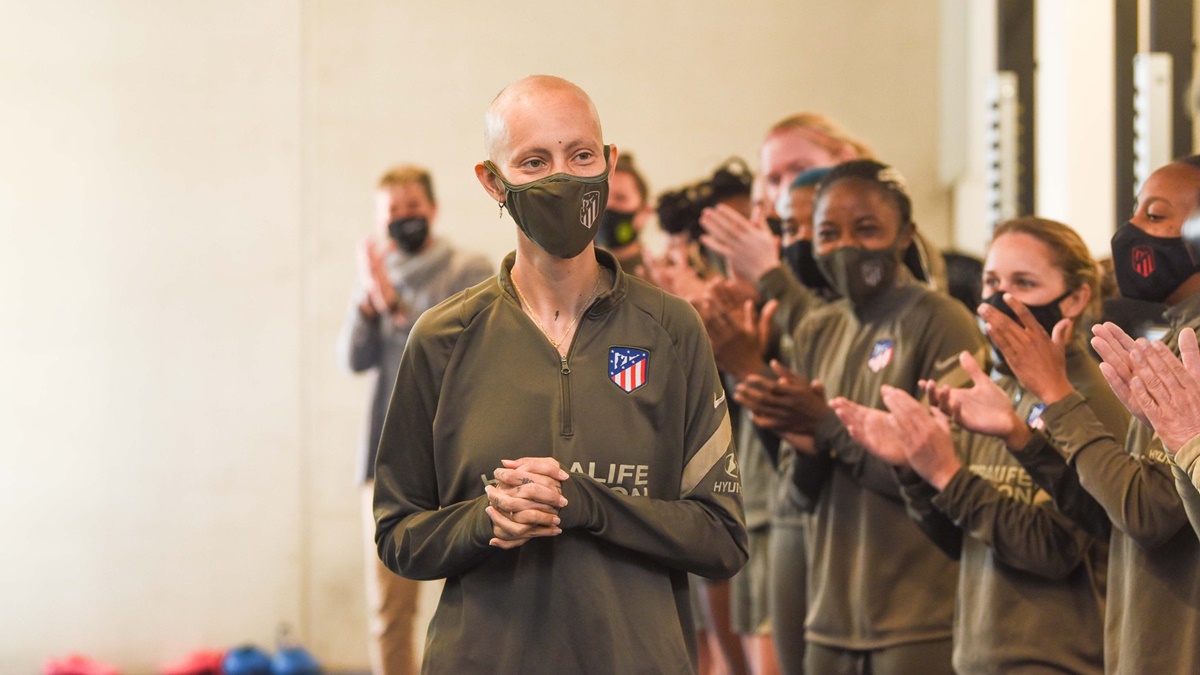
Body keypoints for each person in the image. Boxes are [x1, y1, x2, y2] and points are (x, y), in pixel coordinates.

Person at [372, 75, 748, 674]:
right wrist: (485, 518)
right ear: (492, 182)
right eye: (533, 161)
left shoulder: (672, 330)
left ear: (608, 161)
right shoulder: (442, 339)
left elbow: (721, 538)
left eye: (580, 155)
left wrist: (590, 505)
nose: (564, 178)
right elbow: (398, 536)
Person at [832, 216, 1127, 674]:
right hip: (980, 652)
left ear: (1075, 298)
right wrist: (916, 469)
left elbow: (1055, 550)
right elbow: (958, 540)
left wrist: (949, 474)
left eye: (1023, 283)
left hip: (1057, 657)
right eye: (992, 280)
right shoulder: (992, 387)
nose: (998, 299)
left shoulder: (1089, 401)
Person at [735, 160, 984, 675]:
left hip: (918, 618)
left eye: (866, 229)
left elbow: (947, 481)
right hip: (830, 617)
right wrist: (803, 445)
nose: (846, 247)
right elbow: (797, 494)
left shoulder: (939, 320)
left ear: (905, 234)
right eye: (828, 233)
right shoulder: (816, 330)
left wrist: (825, 428)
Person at [977, 156, 1200, 673]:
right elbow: (1109, 515)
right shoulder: (1173, 338)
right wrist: (1023, 440)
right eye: (1136, 212)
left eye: (1155, 216)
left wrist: (1056, 396)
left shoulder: (1191, 351)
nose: (1130, 232)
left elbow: (1149, 514)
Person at [337, 165, 492, 675]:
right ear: (379, 222)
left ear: (433, 208)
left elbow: (446, 349)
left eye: (412, 207)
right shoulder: (376, 283)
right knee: (391, 609)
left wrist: (394, 305)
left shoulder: (467, 270)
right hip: (387, 465)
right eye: (393, 212)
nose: (404, 219)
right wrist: (368, 304)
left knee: (481, 599)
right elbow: (354, 361)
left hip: (457, 459)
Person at [596, 152, 653, 277]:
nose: (608, 206)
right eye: (602, 197)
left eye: (620, 198)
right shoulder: (575, 277)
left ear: (645, 212)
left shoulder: (657, 278)